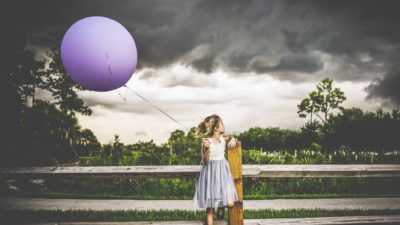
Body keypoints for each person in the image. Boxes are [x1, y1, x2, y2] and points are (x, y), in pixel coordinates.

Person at [192, 114, 239, 225]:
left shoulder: (222, 139)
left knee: (231, 203)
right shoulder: (207, 141)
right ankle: (213, 216)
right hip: (211, 174)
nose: (224, 125)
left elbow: (231, 136)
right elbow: (207, 161)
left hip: (223, 174)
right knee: (210, 208)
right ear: (216, 128)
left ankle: (221, 206)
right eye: (221, 123)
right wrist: (206, 148)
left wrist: (233, 139)